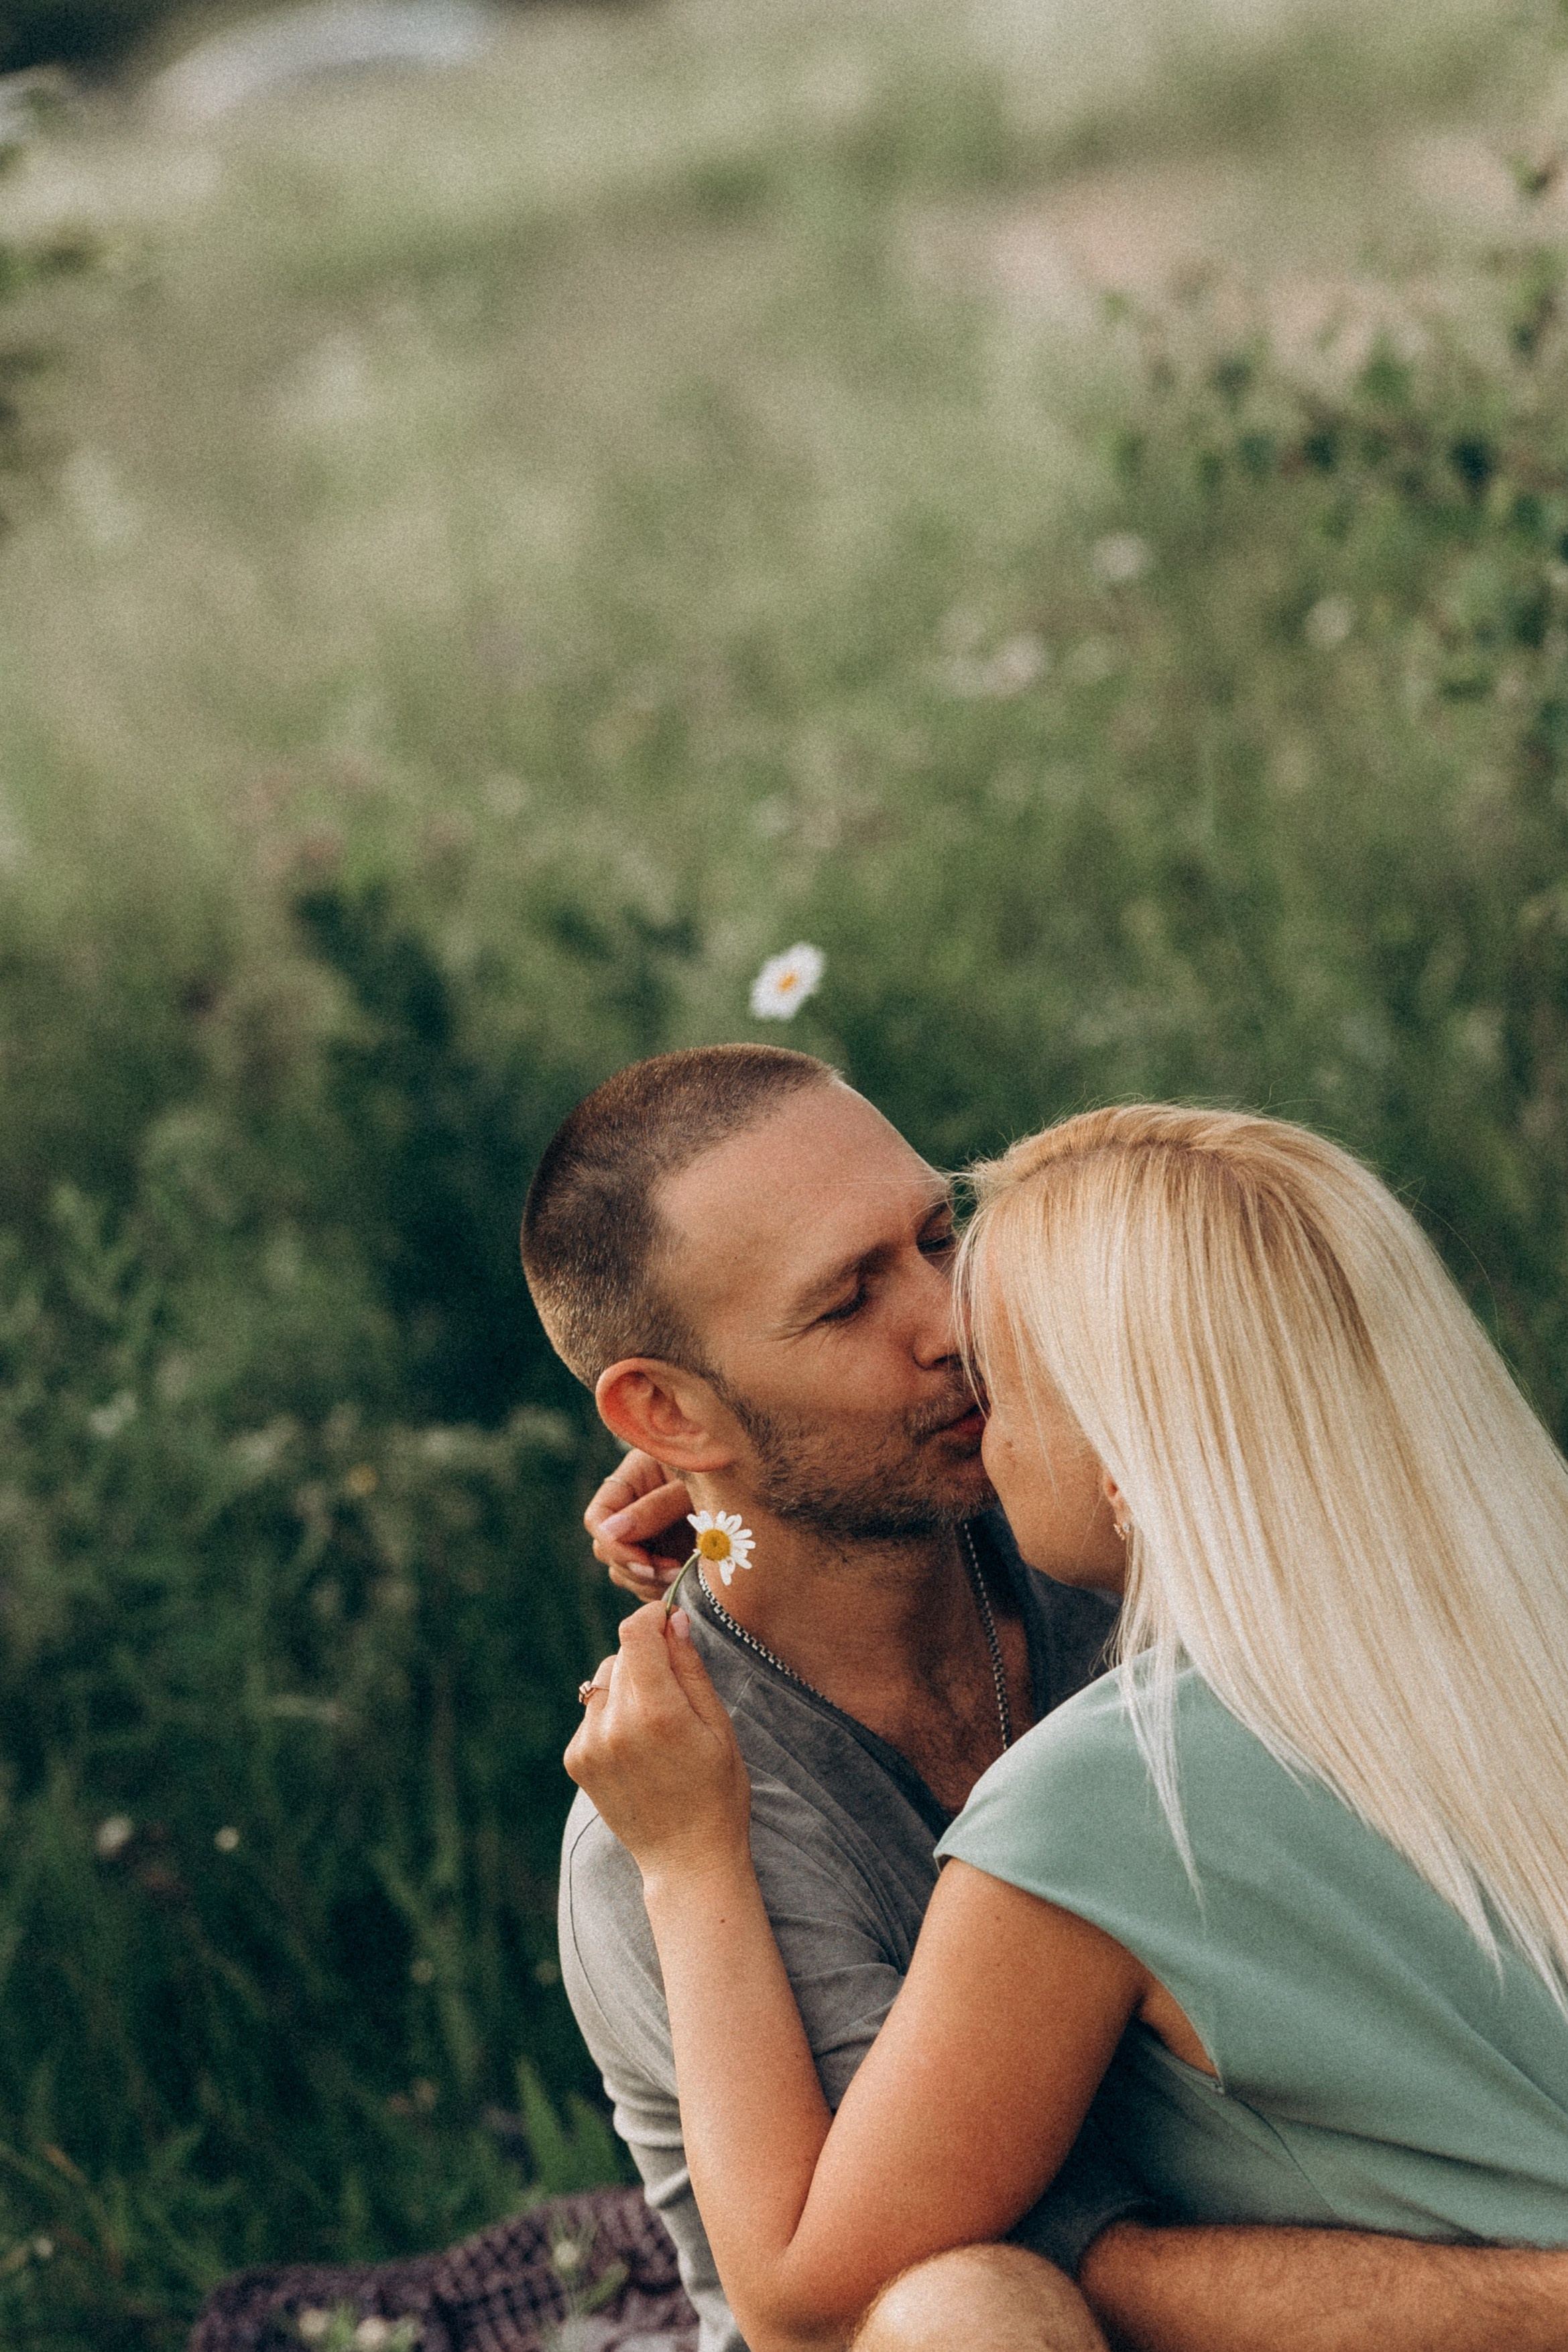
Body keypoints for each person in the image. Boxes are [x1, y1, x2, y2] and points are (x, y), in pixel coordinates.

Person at [525, 1053, 1568, 2352]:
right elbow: (840, 2291)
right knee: (968, 2305)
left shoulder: (1105, 1555)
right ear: (664, 1409)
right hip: (985, 2318)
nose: (952, 1322)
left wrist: (753, 1456)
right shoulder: (684, 1817)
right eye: (848, 1302)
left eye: (937, 1235)